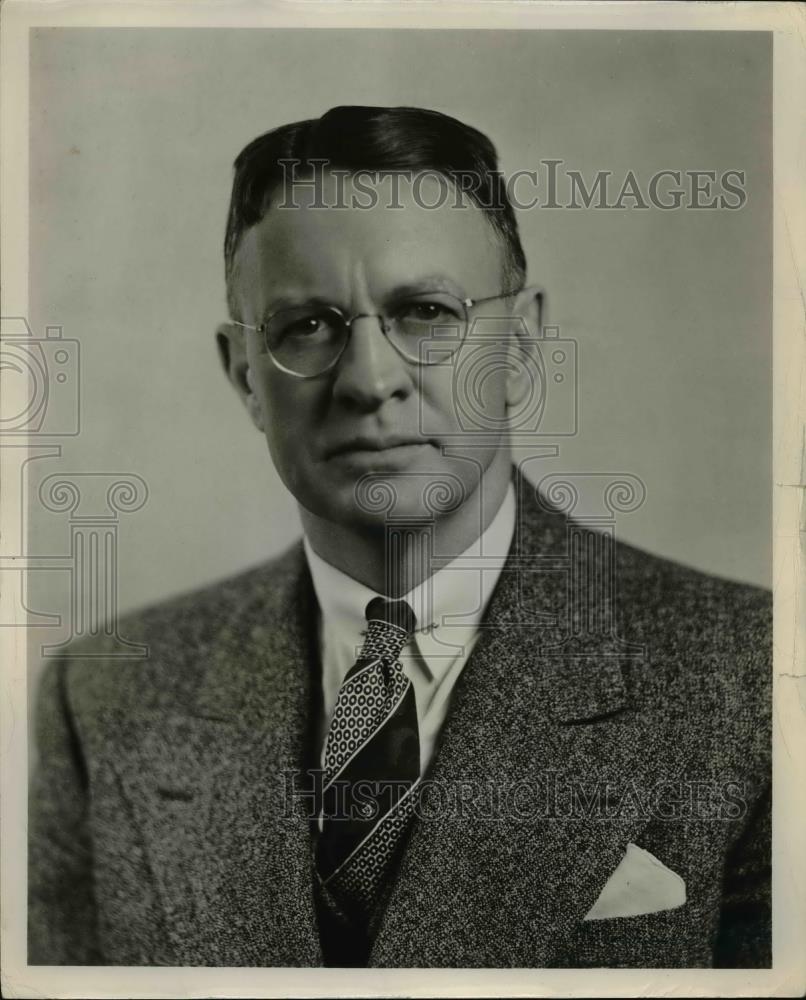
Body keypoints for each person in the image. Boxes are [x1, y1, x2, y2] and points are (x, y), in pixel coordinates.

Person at [28, 105, 771, 969]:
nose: (370, 380)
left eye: (426, 311)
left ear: (523, 341)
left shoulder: (754, 675)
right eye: (306, 326)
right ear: (242, 376)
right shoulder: (107, 698)